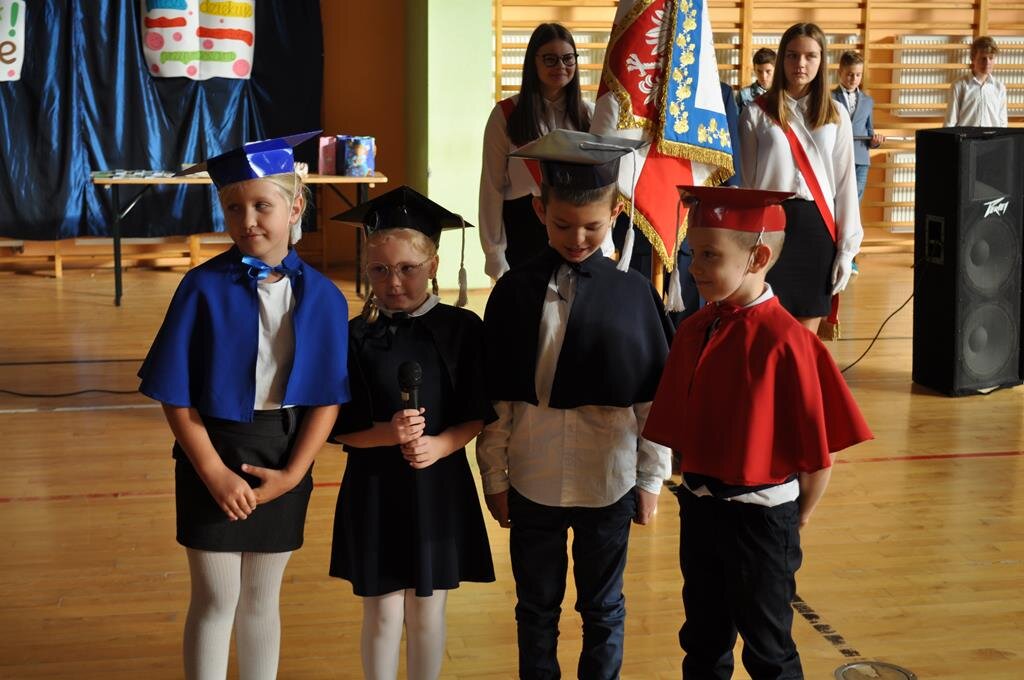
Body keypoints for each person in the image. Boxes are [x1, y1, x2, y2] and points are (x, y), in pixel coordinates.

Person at [138, 131, 351, 680]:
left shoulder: (325, 297)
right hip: (212, 450)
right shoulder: (200, 288)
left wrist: (293, 475)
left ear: (295, 208)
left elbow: (326, 399)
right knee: (216, 598)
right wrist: (212, 471)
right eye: (234, 208)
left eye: (262, 206)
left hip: (284, 454)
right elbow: (175, 394)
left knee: (261, 600)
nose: (248, 220)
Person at [644, 185, 873, 680]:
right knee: (702, 640)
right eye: (693, 253)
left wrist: (797, 517)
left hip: (762, 520)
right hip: (701, 509)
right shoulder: (694, 329)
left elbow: (819, 456)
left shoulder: (789, 341)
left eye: (710, 255)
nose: (695, 267)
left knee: (768, 648)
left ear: (758, 257)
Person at [477, 129, 674, 680]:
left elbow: (651, 406)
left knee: (603, 608)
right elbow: (500, 401)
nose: (578, 238)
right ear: (540, 211)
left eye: (592, 226)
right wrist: (494, 476)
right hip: (533, 478)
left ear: (616, 212)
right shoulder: (514, 292)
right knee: (535, 608)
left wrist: (651, 480)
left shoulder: (634, 295)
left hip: (608, 482)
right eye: (563, 225)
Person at [329, 186, 496, 680]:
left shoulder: (463, 329)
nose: (394, 281)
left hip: (437, 486)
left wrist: (440, 445)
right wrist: (388, 433)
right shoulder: (355, 335)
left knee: (427, 609)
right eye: (380, 270)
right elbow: (339, 429)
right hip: (375, 488)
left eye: (407, 268)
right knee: (382, 611)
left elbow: (476, 413)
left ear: (434, 265)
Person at [739, 22, 862, 336]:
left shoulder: (836, 114)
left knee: (804, 340)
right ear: (782, 58)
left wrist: (847, 250)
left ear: (822, 60)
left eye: (810, 56)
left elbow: (845, 185)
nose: (801, 64)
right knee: (766, 332)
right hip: (770, 230)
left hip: (816, 230)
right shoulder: (755, 113)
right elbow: (749, 186)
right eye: (792, 55)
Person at [479, 22, 597, 280]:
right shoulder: (505, 115)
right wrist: (494, 252)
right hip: (523, 227)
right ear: (533, 62)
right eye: (550, 59)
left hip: (574, 227)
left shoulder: (589, 114)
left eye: (568, 58)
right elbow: (491, 187)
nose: (561, 66)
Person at [944, 36, 1008, 128]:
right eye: (983, 58)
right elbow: (950, 122)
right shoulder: (959, 86)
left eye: (991, 58)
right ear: (973, 59)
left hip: (993, 137)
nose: (987, 62)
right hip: (966, 137)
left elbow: (1003, 122)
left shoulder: (1000, 87)